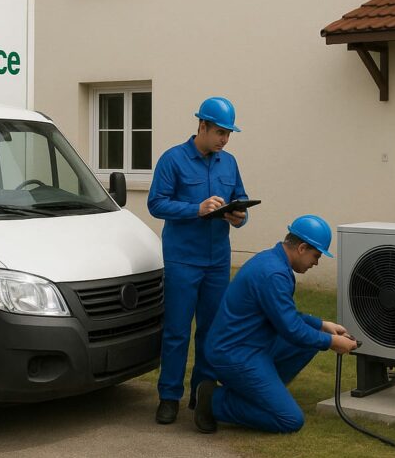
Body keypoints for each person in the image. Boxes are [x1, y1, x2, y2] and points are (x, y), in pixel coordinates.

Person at [193, 215, 358, 434]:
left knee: (309, 340)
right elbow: (291, 329)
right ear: (301, 248)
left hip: (251, 344)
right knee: (290, 419)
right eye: (316, 256)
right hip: (234, 354)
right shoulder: (273, 274)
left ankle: (261, 391)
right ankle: (214, 400)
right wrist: (331, 342)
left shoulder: (272, 260)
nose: (316, 263)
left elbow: (284, 316)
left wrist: (322, 324)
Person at [148, 96, 250, 425]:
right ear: (202, 126)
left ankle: (201, 394)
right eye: (220, 132)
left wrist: (238, 216)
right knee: (177, 330)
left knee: (211, 330)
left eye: (228, 134)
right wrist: (196, 209)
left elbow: (241, 203)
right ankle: (168, 397)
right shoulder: (173, 160)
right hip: (182, 260)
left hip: (217, 261)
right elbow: (156, 204)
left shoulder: (229, 163)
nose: (224, 139)